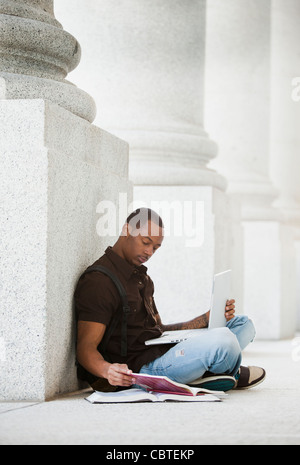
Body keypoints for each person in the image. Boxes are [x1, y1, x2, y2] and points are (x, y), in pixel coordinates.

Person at [75, 208, 266, 392]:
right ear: (127, 229)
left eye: (156, 248)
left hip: (160, 351)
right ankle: (221, 372)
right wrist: (107, 370)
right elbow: (85, 348)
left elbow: (160, 330)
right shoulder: (99, 281)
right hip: (142, 369)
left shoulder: (142, 278)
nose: (150, 252)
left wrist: (205, 319)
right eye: (146, 242)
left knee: (242, 324)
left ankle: (208, 373)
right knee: (224, 340)